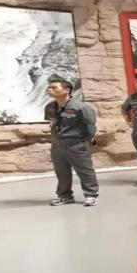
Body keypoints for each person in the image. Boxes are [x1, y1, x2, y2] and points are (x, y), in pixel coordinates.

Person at [44, 78, 100, 207]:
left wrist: (87, 141)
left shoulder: (82, 107)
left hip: (76, 144)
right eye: (49, 88)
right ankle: (65, 196)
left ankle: (91, 195)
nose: (50, 90)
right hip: (58, 144)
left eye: (54, 88)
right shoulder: (50, 107)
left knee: (84, 170)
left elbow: (90, 126)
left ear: (66, 90)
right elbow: (52, 123)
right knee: (61, 172)